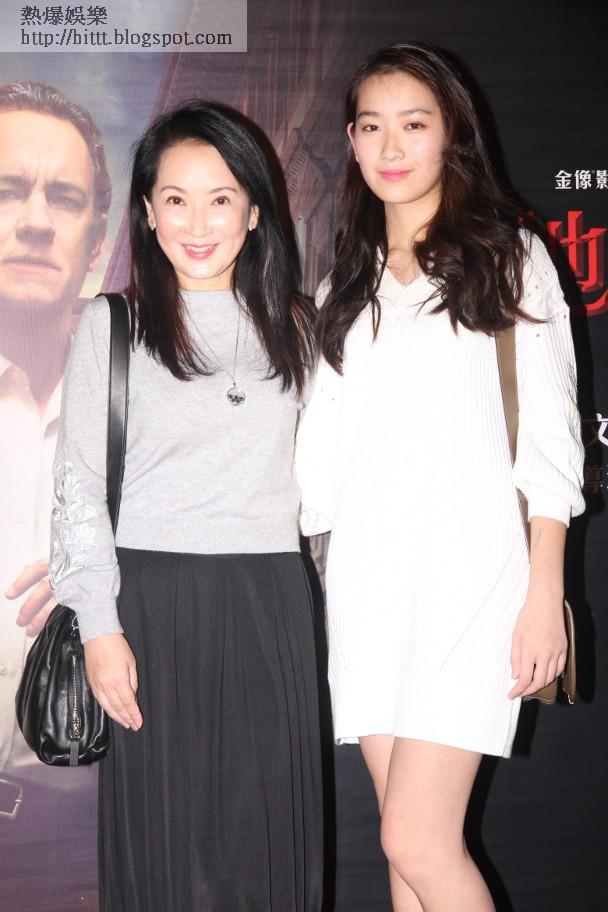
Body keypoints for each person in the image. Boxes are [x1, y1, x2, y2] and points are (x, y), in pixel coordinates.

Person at [295, 43, 585, 912]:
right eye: (371, 126)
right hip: (368, 583)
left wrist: (544, 591)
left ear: (452, 132)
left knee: (414, 838)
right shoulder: (342, 286)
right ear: (351, 140)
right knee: (409, 856)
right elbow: (322, 461)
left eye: (414, 124)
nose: (391, 146)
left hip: (474, 577)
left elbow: (551, 441)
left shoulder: (511, 257)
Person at [48, 100, 323, 911]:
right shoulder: (113, 324)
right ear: (146, 210)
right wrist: (100, 627)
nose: (197, 224)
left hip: (270, 599)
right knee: (165, 846)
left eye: (220, 198)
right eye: (175, 199)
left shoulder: (301, 328)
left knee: (265, 842)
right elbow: (77, 486)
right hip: (151, 607)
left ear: (255, 211)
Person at [0, 80, 110, 908]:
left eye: (64, 198)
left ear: (97, 239)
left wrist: (119, 584)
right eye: (8, 189)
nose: (35, 219)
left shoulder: (144, 408)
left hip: (88, 840)